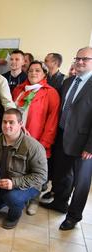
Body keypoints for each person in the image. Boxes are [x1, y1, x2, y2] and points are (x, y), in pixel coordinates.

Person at [40, 47, 92, 230]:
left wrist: (90, 147)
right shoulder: (69, 82)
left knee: (81, 183)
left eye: (85, 59)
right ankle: (60, 203)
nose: (80, 62)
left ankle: (73, 216)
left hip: (84, 144)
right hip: (63, 135)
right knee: (62, 174)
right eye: (78, 58)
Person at [0, 108, 47, 229]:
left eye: (11, 122)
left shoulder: (33, 147)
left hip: (28, 185)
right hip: (1, 182)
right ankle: (6, 198)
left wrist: (14, 183)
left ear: (20, 124)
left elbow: (41, 177)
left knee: (13, 198)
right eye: (4, 122)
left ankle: (14, 214)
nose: (7, 125)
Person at [12, 61, 60, 215]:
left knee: (36, 170)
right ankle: (20, 195)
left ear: (44, 74)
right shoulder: (19, 89)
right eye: (31, 70)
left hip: (37, 139)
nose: (33, 73)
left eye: (37, 70)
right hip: (17, 137)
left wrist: (44, 143)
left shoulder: (50, 92)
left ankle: (34, 199)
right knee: (20, 167)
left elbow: (52, 120)